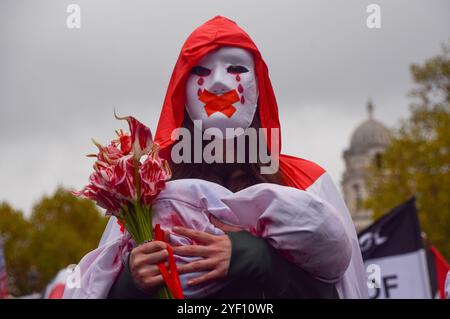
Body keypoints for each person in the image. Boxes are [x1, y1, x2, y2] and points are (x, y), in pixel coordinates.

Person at [63, 16, 367, 299]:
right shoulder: (142, 192)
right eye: (201, 70)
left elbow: (343, 289)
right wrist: (129, 283)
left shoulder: (307, 182)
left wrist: (262, 261)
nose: (219, 83)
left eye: (236, 69)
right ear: (181, 89)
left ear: (260, 88)